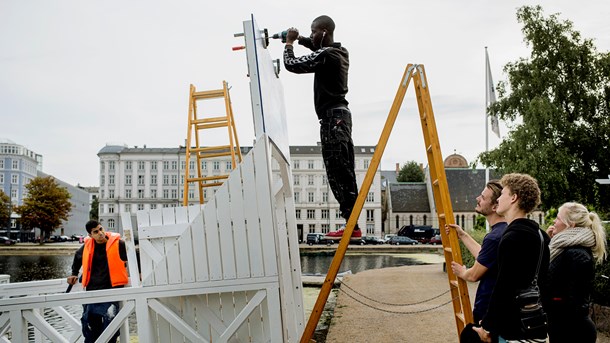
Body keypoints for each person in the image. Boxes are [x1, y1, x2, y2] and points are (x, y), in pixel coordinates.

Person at [283, 15, 361, 240]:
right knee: (345, 172)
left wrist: (289, 44)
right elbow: (317, 45)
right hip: (342, 118)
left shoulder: (327, 56)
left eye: (314, 31)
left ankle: (351, 226)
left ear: (324, 32)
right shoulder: (341, 52)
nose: (312, 34)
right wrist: (302, 39)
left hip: (332, 120)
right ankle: (352, 224)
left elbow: (292, 65)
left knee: (337, 171)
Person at [473, 173, 550, 343]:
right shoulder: (541, 235)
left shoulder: (512, 237)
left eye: (502, 194)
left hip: (514, 329)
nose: (498, 199)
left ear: (514, 198)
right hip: (535, 323)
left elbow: (503, 287)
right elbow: (543, 283)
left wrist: (487, 325)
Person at [544, 202, 607, 343]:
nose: (554, 221)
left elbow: (573, 301)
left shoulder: (576, 254)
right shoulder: (562, 248)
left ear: (570, 225)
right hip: (564, 327)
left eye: (558, 218)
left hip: (572, 331)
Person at [446, 180, 507, 325]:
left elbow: (474, 275)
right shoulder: (503, 231)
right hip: (499, 309)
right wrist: (462, 235)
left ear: (494, 206)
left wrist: (462, 272)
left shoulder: (494, 238)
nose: (477, 199)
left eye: (483, 197)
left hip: (488, 312)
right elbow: (485, 256)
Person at [67, 220, 128, 343]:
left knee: (111, 328)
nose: (100, 233)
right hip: (92, 291)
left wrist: (141, 272)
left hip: (112, 291)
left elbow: (134, 254)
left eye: (101, 229)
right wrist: (74, 273)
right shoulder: (87, 246)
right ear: (90, 235)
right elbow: (78, 256)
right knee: (90, 328)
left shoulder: (118, 244)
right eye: (96, 231)